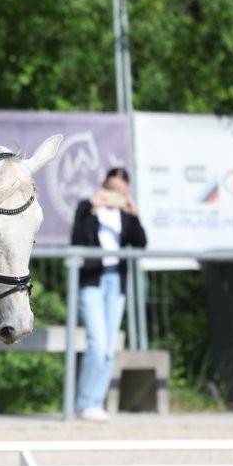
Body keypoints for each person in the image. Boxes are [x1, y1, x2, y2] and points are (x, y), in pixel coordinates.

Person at [70, 167, 147, 421]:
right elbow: (78, 239)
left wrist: (134, 216)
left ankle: (95, 401)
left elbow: (140, 243)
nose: (115, 194)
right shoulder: (86, 208)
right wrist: (94, 210)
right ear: (103, 186)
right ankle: (84, 402)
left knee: (108, 348)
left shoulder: (125, 215)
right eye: (111, 189)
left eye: (121, 191)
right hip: (92, 280)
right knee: (98, 343)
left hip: (116, 282)